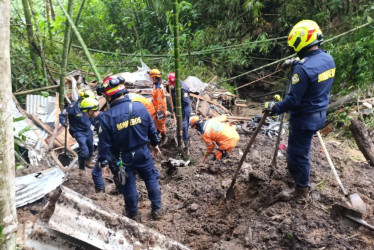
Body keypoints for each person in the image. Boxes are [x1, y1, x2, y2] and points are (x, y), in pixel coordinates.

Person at [263, 20, 335, 200]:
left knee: (297, 154)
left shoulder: (302, 69)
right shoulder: (328, 59)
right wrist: (300, 62)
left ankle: (301, 191)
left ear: (301, 42)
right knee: (302, 148)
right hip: (320, 114)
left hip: (304, 119)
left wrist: (274, 108)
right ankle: (296, 177)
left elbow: (293, 102)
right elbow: (315, 74)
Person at [95, 76, 164, 221]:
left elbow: (104, 143)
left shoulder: (106, 117)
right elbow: (151, 129)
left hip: (121, 158)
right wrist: (155, 144)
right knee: (151, 178)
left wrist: (104, 162)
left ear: (108, 97)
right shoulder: (140, 107)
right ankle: (157, 209)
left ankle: (133, 214)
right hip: (142, 152)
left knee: (128, 185)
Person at [59, 89, 95, 171]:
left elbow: (92, 117)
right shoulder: (72, 107)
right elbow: (62, 115)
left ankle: (87, 163)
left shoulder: (89, 106)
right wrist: (63, 122)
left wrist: (98, 125)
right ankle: (81, 168)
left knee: (91, 148)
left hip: (88, 130)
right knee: (85, 151)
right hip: (78, 131)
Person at [167, 72, 191, 148]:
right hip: (179, 110)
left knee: (183, 127)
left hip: (184, 110)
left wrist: (177, 107)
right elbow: (173, 93)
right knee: (179, 126)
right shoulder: (176, 85)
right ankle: (180, 142)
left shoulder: (183, 88)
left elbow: (185, 102)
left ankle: (185, 144)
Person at [148, 69, 167, 143]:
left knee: (160, 123)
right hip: (156, 107)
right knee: (156, 123)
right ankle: (157, 134)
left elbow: (159, 101)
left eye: (152, 78)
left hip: (160, 109)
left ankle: (163, 137)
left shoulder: (158, 88)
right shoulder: (156, 85)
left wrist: (159, 112)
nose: (152, 79)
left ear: (155, 78)